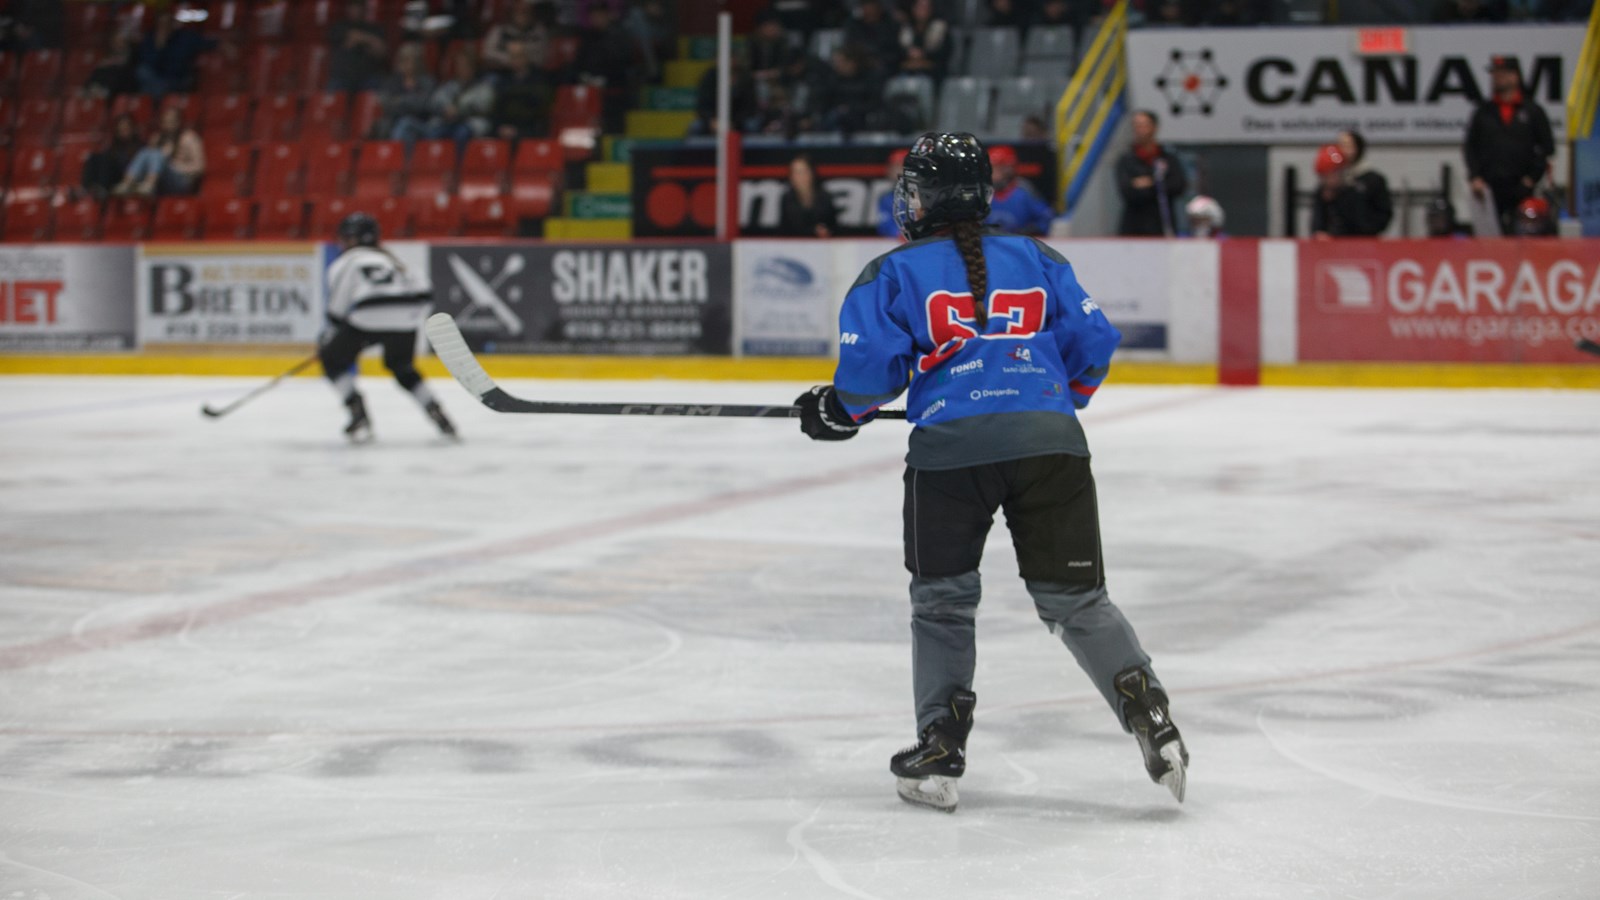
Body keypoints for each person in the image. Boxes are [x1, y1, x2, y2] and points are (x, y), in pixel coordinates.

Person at [793, 132, 1188, 813]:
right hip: (1052, 445)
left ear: (922, 198)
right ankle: (1150, 712)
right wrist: (1055, 397)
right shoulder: (1039, 257)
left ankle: (941, 746)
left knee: (943, 603)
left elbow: (868, 380)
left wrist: (836, 409)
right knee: (1077, 601)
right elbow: (1094, 342)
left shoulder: (891, 271)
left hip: (951, 454)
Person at [321, 213, 458, 444]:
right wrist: (409, 317)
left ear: (350, 239)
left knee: (332, 360)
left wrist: (329, 341)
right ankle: (436, 411)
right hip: (408, 315)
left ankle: (357, 413)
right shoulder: (393, 259)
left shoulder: (346, 262)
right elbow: (424, 292)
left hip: (369, 314)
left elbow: (337, 309)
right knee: (402, 367)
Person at [1464, 56, 1554, 236]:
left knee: (1523, 233)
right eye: (1495, 74)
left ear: (1514, 77)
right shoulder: (1484, 112)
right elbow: (1470, 147)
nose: (1497, 78)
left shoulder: (1532, 111)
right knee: (1489, 237)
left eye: (1502, 74)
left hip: (1522, 186)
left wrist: (1532, 178)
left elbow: (1547, 148)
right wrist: (1475, 176)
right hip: (1490, 187)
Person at [1115, 109, 1186, 236]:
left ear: (1154, 127)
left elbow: (1178, 185)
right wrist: (1159, 184)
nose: (1140, 130)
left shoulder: (1168, 159)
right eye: (1137, 125)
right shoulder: (1126, 160)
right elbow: (1128, 191)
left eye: (1144, 125)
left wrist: (1150, 182)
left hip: (1162, 226)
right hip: (1134, 228)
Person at [113, 105, 205, 197]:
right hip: (160, 180)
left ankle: (149, 185)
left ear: (178, 122)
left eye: (171, 121)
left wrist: (174, 166)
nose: (168, 125)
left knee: (157, 154)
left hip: (181, 180)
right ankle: (127, 183)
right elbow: (148, 160)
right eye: (165, 122)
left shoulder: (189, 137)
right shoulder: (157, 138)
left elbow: (199, 167)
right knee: (145, 151)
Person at [1309, 143, 1390, 238]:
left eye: (1333, 174)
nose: (1329, 180)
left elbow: (1359, 224)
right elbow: (1317, 222)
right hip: (1331, 242)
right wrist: (1319, 233)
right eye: (1325, 176)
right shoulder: (1321, 192)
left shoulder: (1356, 191)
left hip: (1358, 240)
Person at [985, 144, 1055, 235]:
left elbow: (1046, 217)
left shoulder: (1023, 190)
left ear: (1009, 168)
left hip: (1019, 240)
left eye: (999, 167)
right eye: (992, 168)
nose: (994, 173)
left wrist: (1032, 230)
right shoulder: (983, 192)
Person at [1333, 129, 1393, 234]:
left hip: (1366, 238)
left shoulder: (1373, 180)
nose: (1341, 150)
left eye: (1346, 145)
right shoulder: (1333, 179)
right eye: (1339, 146)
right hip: (1338, 239)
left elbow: (1383, 212)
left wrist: (1369, 229)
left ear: (1357, 148)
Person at [379, 43, 439, 144]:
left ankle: (396, 152)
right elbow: (386, 103)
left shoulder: (427, 82)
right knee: (384, 125)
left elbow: (424, 105)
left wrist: (400, 101)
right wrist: (408, 102)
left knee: (405, 124)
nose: (404, 63)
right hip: (395, 121)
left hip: (422, 124)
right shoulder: (393, 82)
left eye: (408, 60)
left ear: (417, 62)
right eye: (402, 60)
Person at [326, 0, 389, 92]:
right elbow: (350, 36)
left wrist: (359, 38)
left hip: (368, 77)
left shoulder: (375, 28)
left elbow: (381, 51)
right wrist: (370, 41)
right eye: (353, 6)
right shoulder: (338, 26)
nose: (356, 10)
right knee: (333, 88)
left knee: (378, 85)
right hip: (342, 77)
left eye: (358, 6)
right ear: (348, 8)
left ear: (364, 8)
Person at [81, 114, 143, 202]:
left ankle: (102, 187)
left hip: (127, 176)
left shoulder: (140, 146)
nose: (124, 130)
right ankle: (85, 188)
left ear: (132, 129)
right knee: (93, 157)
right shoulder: (114, 146)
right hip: (112, 175)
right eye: (121, 128)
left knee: (107, 159)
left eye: (126, 128)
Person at [776, 153, 838, 237]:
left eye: (803, 172)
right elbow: (786, 230)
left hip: (822, 243)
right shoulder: (787, 199)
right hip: (794, 243)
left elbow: (834, 227)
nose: (799, 177)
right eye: (796, 172)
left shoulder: (825, 198)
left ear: (812, 173)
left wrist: (825, 231)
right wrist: (813, 231)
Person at [876, 149, 909, 238]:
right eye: (893, 166)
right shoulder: (887, 198)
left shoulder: (922, 195)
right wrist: (901, 235)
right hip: (895, 242)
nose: (894, 170)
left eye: (899, 166)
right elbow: (885, 226)